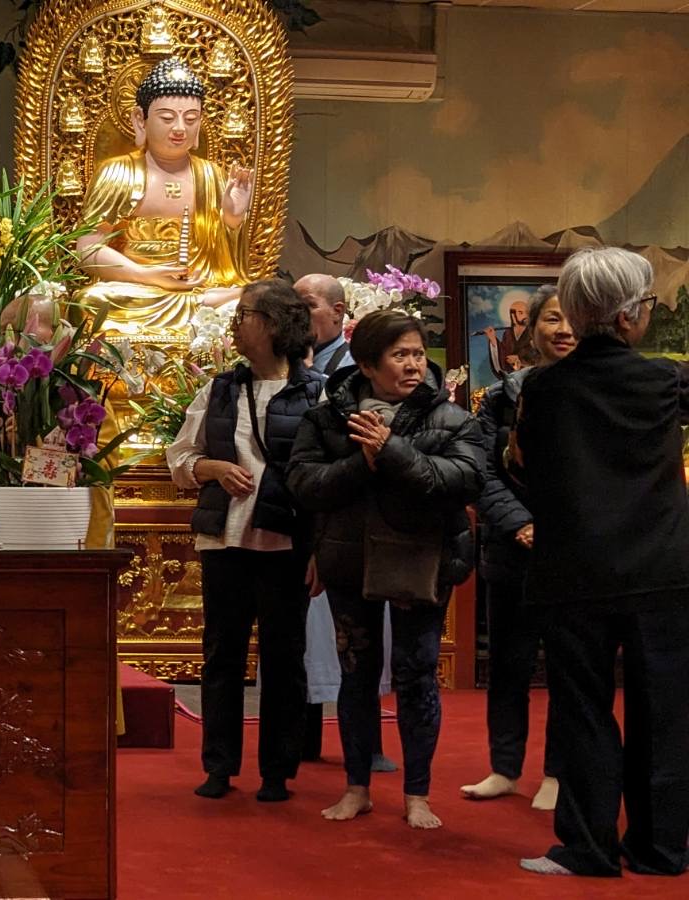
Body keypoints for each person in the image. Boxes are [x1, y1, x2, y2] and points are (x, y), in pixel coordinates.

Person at [514, 247, 689, 877]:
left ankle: (588, 848)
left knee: (583, 712)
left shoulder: (542, 388)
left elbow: (528, 470)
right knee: (663, 713)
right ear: (626, 316)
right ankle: (661, 848)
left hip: (573, 573)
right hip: (661, 570)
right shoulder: (665, 381)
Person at [288, 309, 482, 830]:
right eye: (400, 355)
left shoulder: (451, 417)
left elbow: (463, 480)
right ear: (368, 366)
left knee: (417, 675)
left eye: (418, 353)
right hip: (349, 559)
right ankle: (357, 788)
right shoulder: (327, 419)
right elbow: (304, 484)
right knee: (356, 674)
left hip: (422, 562)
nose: (414, 365)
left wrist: (391, 450)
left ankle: (418, 794)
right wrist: (363, 463)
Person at [165, 279, 322, 802]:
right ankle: (219, 766)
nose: (234, 326)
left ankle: (277, 772)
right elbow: (179, 458)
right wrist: (211, 468)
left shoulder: (317, 393)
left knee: (284, 659)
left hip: (286, 545)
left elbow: (327, 481)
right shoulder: (219, 390)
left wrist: (321, 550)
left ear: (274, 325)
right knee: (222, 656)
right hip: (225, 542)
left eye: (244, 315)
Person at [461, 286, 569, 811]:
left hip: (575, 552)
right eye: (552, 319)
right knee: (508, 664)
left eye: (573, 320)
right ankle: (504, 768)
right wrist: (520, 524)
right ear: (531, 330)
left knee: (569, 669)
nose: (563, 330)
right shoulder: (503, 394)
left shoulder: (595, 394)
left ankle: (557, 773)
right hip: (512, 549)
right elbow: (481, 469)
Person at [295, 271, 397, 774]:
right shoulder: (288, 367)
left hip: (352, 515)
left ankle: (367, 744)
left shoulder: (359, 369)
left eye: (308, 305)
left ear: (339, 312)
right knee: (306, 637)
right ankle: (303, 739)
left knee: (357, 637)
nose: (299, 315)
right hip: (304, 507)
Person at [74, 57, 253, 335]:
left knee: (249, 301)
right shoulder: (117, 172)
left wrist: (232, 219)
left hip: (199, 288)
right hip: (136, 289)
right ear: (140, 119)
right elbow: (87, 247)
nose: (180, 128)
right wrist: (145, 275)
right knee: (89, 301)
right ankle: (200, 311)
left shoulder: (211, 176)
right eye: (167, 118)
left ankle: (207, 308)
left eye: (190, 119)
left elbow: (226, 267)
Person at [297, 274, 349, 375]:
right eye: (294, 306)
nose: (297, 313)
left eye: (309, 305)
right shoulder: (279, 358)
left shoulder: (353, 365)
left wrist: (309, 371)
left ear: (337, 312)